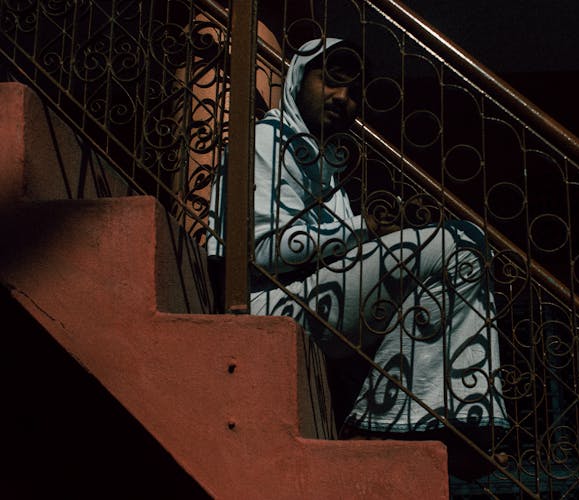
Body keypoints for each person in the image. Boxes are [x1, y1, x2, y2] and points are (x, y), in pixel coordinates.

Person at [211, 37, 509, 477]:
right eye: (330, 81)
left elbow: (343, 246)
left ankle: (435, 419)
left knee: (452, 259)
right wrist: (361, 232)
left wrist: (360, 238)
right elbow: (250, 249)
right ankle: (410, 420)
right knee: (457, 243)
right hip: (264, 303)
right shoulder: (263, 140)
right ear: (297, 79)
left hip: (314, 300)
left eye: (354, 92)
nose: (343, 98)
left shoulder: (323, 162)